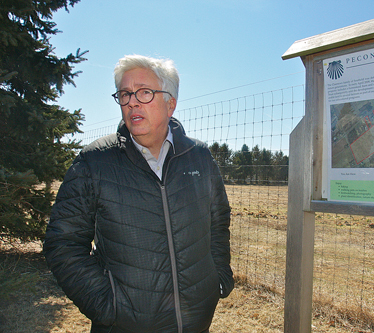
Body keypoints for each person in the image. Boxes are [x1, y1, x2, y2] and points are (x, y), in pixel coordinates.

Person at [44, 55, 234, 333]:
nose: (132, 101)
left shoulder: (199, 157)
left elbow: (218, 221)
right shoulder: (94, 162)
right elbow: (63, 244)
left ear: (171, 103)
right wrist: (108, 306)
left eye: (144, 92)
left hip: (196, 322)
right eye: (125, 94)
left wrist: (217, 279)